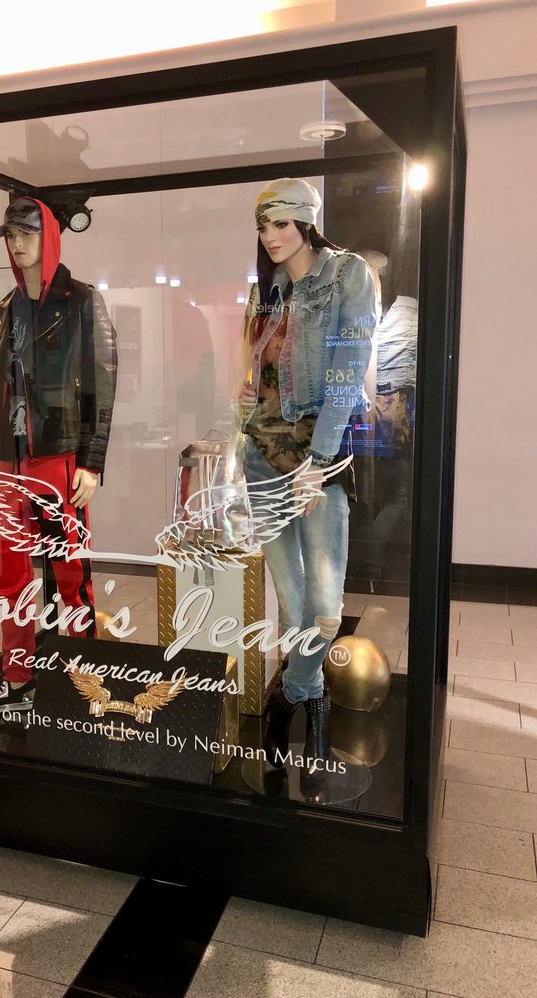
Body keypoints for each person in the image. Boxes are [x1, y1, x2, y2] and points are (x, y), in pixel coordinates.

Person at [238, 178, 377, 778]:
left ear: (306, 222)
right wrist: (239, 427)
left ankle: (293, 696)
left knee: (324, 606)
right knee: (291, 601)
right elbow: (256, 382)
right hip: (261, 458)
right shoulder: (264, 289)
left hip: (319, 463)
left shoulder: (348, 276)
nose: (270, 237)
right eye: (263, 227)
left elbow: (348, 373)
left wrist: (317, 464)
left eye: (281, 224)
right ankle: (309, 704)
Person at [0, 196, 117, 716]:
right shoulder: (3, 310)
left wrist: (92, 461)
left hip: (58, 457)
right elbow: (0, 389)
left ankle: (85, 678)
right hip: (11, 462)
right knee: (9, 574)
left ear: (49, 236)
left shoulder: (82, 300)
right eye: (11, 235)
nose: (17, 244)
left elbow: (101, 383)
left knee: (71, 571)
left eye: (26, 234)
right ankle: (18, 681)